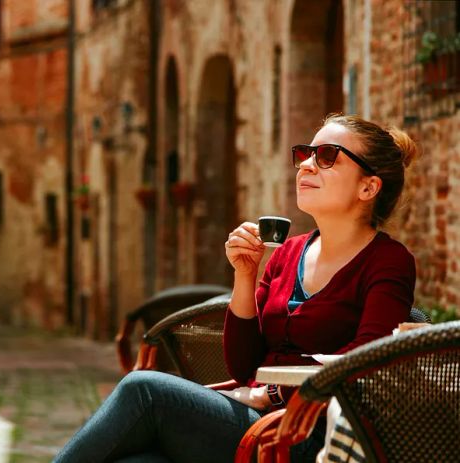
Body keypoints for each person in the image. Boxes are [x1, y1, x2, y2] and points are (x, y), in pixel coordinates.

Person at [53, 114, 418, 463]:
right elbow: (244, 365)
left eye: (326, 157)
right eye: (305, 155)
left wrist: (272, 392)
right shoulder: (287, 253)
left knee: (142, 389)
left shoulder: (388, 261)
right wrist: (244, 275)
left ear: (368, 187)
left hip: (313, 438)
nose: (306, 165)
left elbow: (367, 364)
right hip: (256, 423)